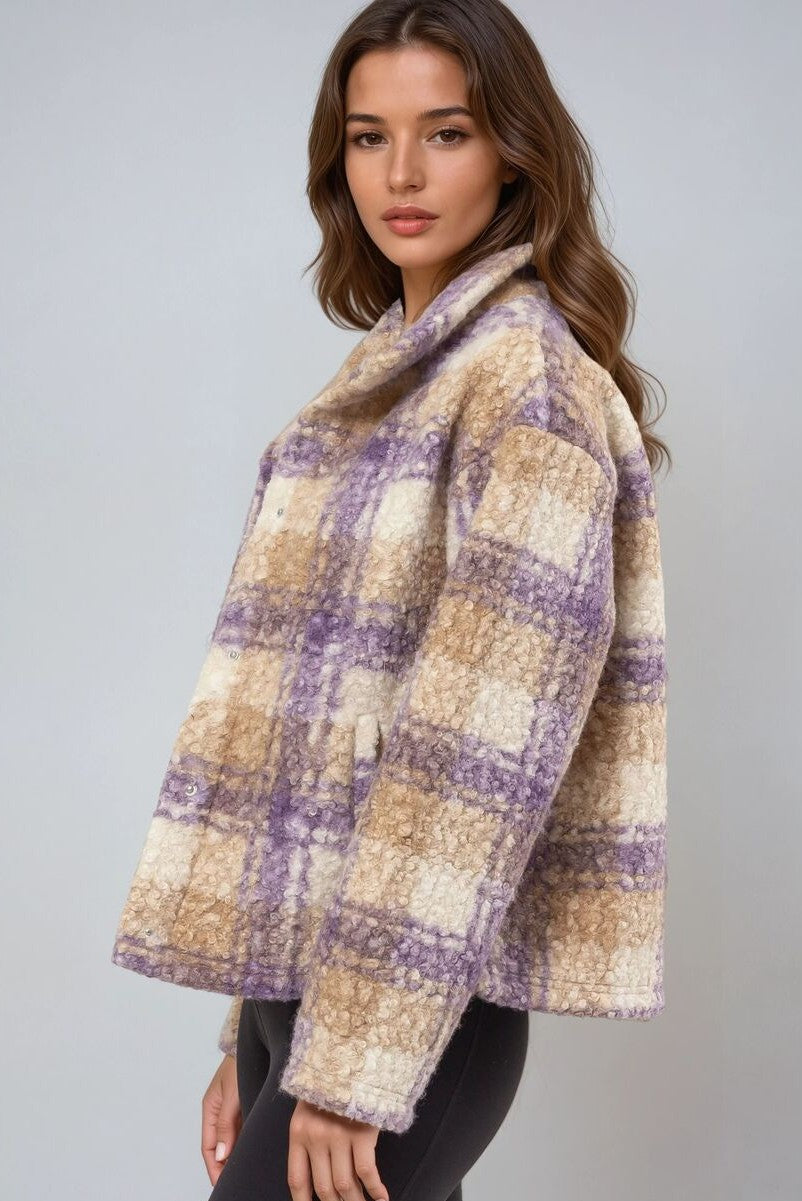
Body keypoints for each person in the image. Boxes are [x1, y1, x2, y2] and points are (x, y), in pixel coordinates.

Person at [111, 3, 671, 1199]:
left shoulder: (523, 386)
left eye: (446, 132)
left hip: (410, 1006)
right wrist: (250, 1035)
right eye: (370, 136)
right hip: (308, 984)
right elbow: (312, 732)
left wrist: (350, 1066)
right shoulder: (388, 368)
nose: (401, 173)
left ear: (513, 151)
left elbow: (477, 760)